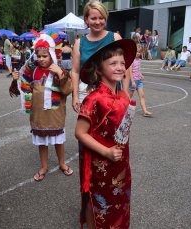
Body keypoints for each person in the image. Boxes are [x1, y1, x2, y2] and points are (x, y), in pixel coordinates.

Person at [75, 39, 137, 229]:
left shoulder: (123, 95)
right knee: (98, 201)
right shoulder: (94, 99)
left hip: (120, 161)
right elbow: (79, 133)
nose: (120, 67)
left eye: (122, 63)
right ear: (99, 70)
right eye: (113, 63)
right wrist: (106, 152)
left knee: (120, 200)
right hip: (99, 163)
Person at [9, 33, 73, 181]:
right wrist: (15, 80)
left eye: (45, 56)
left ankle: (62, 163)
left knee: (58, 141)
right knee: (42, 143)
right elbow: (23, 89)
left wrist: (61, 75)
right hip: (39, 115)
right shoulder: (33, 71)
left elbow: (68, 90)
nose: (41, 59)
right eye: (39, 56)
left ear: (51, 54)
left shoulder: (59, 70)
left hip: (55, 114)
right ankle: (44, 166)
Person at [71, 1, 128, 113]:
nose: (98, 22)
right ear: (86, 20)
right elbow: (75, 71)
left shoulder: (115, 38)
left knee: (112, 127)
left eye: (101, 18)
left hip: (112, 91)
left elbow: (126, 67)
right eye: (93, 18)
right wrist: (75, 96)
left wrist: (125, 94)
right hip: (87, 92)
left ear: (105, 18)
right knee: (87, 128)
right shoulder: (79, 43)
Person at [129, 46, 152, 117]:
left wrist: (141, 74)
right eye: (137, 51)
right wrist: (132, 81)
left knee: (142, 96)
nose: (138, 53)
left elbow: (138, 69)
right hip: (134, 81)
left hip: (139, 81)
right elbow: (130, 72)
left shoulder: (139, 60)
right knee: (129, 97)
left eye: (139, 52)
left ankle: (145, 111)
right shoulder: (131, 60)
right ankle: (123, 109)